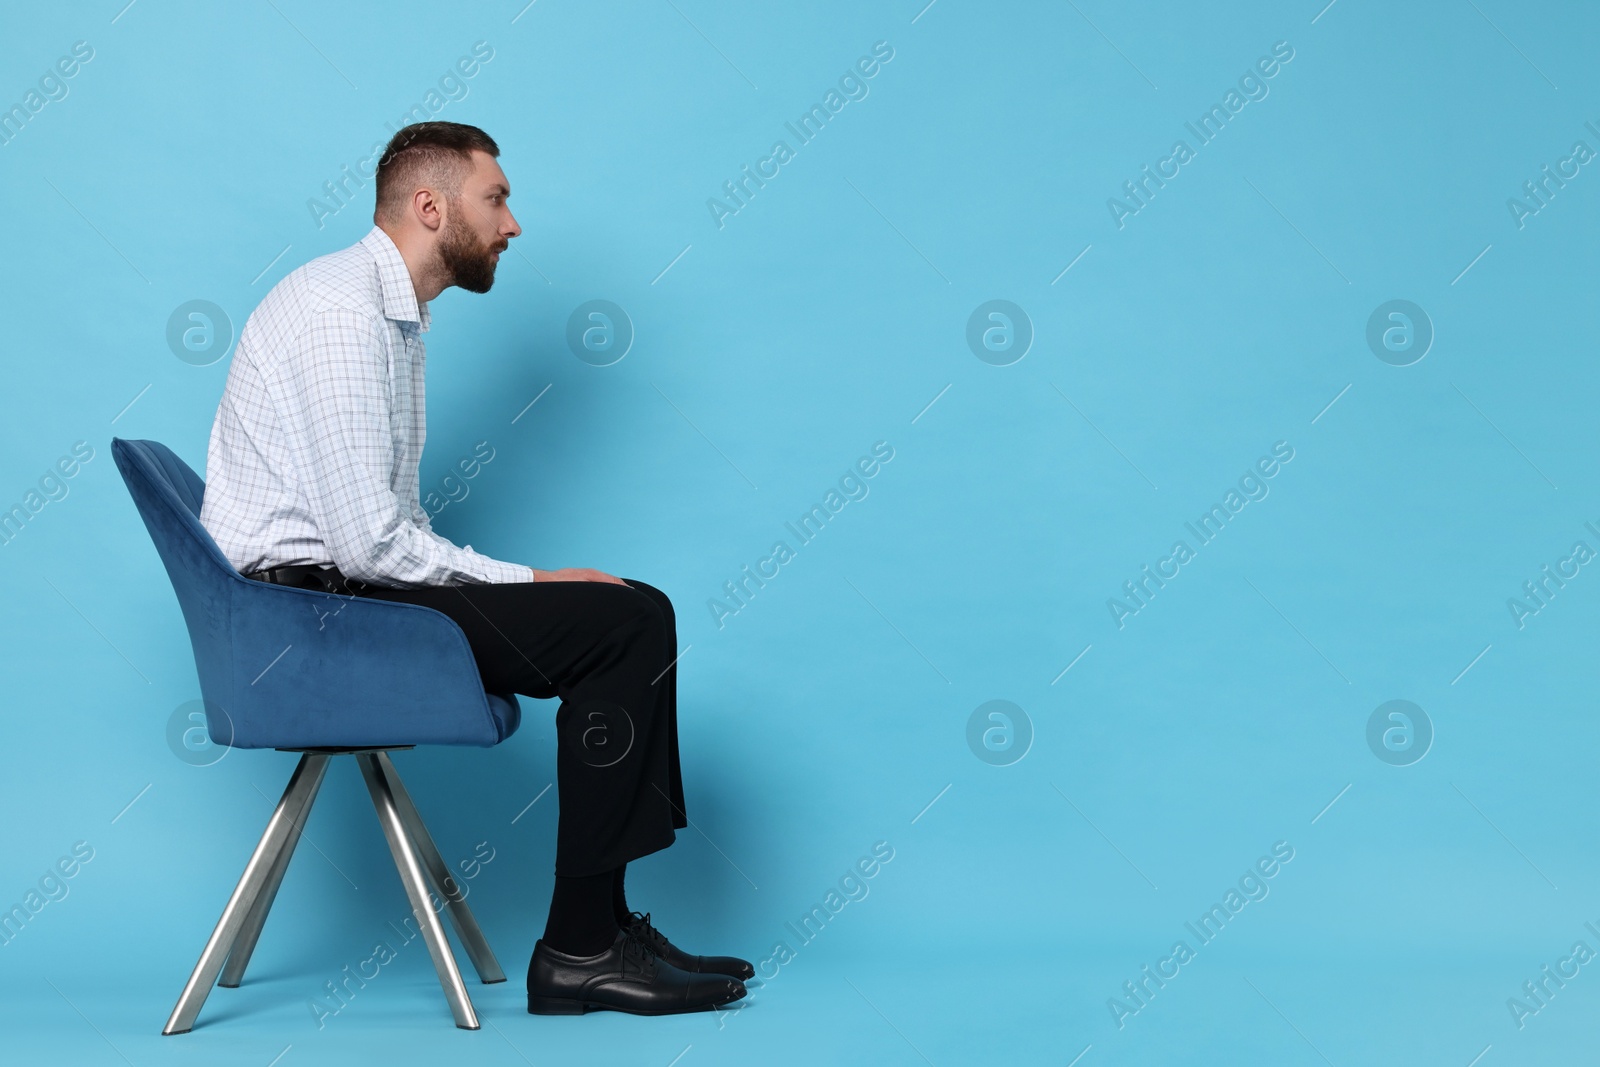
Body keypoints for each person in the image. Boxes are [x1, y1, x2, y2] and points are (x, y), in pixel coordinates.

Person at [198, 120, 751, 1017]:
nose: (513, 224)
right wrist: (537, 584)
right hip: (311, 627)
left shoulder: (394, 319)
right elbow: (372, 546)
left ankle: (603, 928)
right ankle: (578, 948)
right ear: (430, 206)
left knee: (635, 606)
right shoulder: (343, 314)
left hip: (344, 598)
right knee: (627, 624)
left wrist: (540, 581)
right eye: (496, 198)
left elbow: (393, 530)